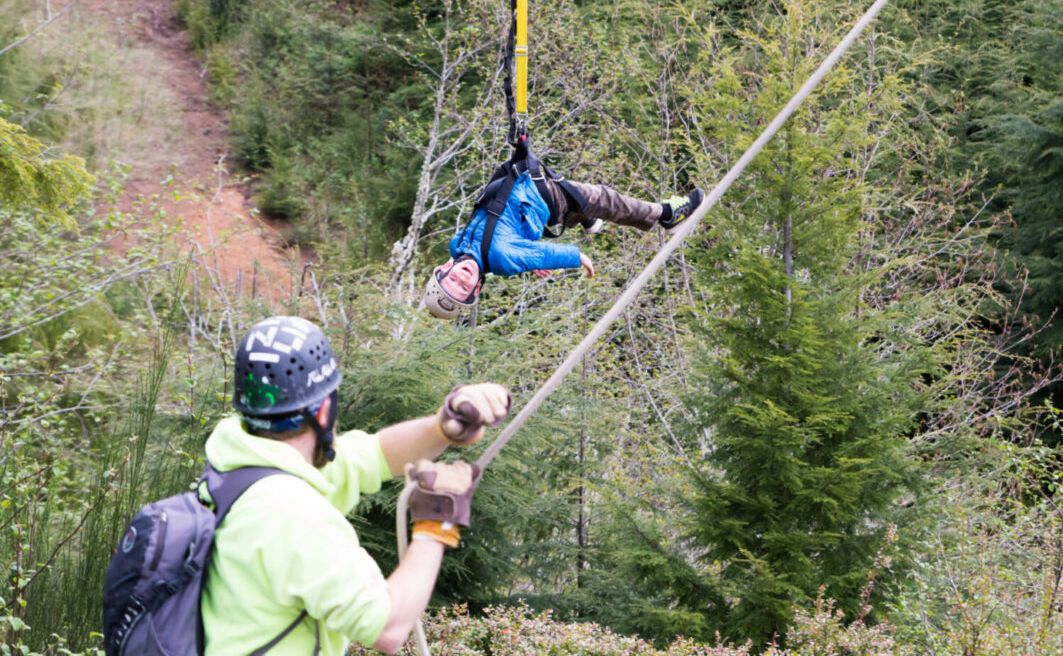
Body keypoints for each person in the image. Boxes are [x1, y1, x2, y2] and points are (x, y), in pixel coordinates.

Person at [201, 315, 512, 655]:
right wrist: (438, 519)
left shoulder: (245, 467)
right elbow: (387, 626)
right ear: (323, 411)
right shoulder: (288, 513)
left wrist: (444, 426)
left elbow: (373, 454)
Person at [424, 166, 704, 319]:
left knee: (588, 207)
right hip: (546, 196)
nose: (463, 278)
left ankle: (586, 219)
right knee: (608, 199)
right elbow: (541, 254)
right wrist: (576, 258)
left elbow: (515, 244)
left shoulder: (459, 247)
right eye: (465, 288)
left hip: (525, 188)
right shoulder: (499, 257)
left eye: (454, 281)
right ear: (478, 286)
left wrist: (524, 257)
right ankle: (666, 216)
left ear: (447, 267)